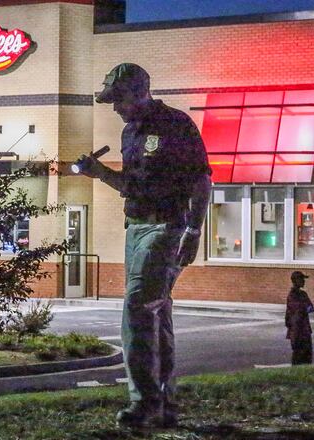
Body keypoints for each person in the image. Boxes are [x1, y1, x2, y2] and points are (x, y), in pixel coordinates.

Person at [77, 63, 211, 430]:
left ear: (139, 92)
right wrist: (99, 173)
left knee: (138, 308)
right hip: (135, 226)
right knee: (156, 313)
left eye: (118, 99)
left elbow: (201, 181)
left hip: (167, 226)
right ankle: (164, 402)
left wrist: (194, 231)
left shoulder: (176, 125)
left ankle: (145, 403)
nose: (114, 107)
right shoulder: (129, 133)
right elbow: (131, 186)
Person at [285, 271, 314, 365]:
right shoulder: (292, 295)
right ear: (295, 281)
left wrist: (305, 308)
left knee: (307, 354)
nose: (303, 281)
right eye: (301, 279)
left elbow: (310, 308)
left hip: (305, 329)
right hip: (297, 329)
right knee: (298, 355)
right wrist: (304, 308)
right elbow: (299, 310)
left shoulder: (303, 294)